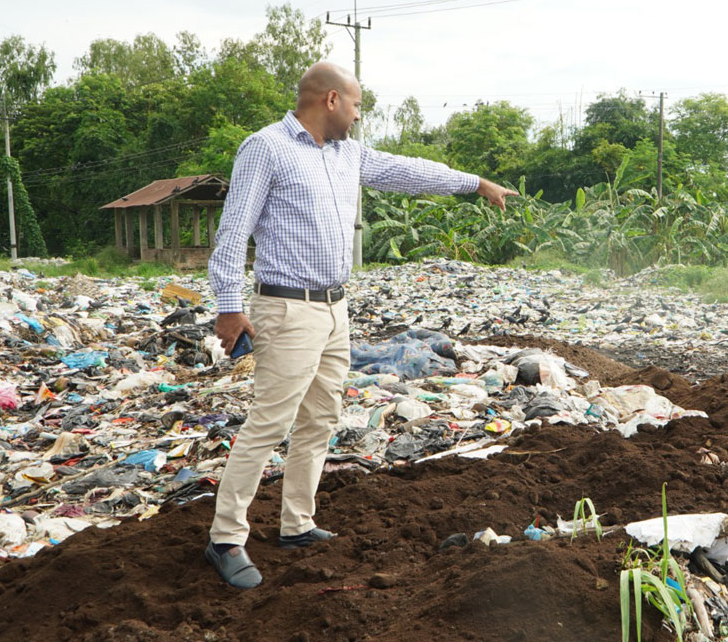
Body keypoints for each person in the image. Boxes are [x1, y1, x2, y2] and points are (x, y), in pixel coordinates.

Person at [204, 61, 518, 588]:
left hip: (333, 308)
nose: (358, 115)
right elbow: (233, 231)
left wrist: (476, 184)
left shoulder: (348, 153)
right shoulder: (266, 147)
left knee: (321, 417)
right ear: (330, 100)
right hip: (286, 307)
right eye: (356, 105)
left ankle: (296, 524)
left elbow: (410, 170)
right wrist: (229, 305)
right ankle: (226, 538)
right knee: (270, 423)